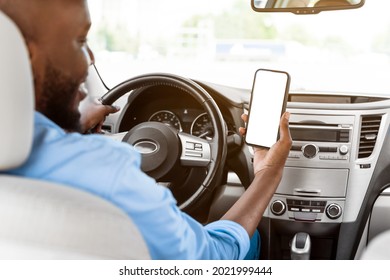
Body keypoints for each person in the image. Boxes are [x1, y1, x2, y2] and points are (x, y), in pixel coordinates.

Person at [0, 0, 292, 259]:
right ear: (22, 55)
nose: (90, 58)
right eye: (79, 41)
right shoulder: (108, 172)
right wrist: (268, 173)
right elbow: (210, 258)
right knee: (249, 240)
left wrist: (71, 129)